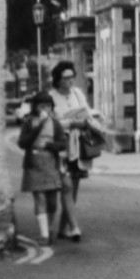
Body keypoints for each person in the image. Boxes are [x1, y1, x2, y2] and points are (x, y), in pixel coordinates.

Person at [48, 61, 103, 240]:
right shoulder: (51, 97)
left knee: (74, 188)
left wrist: (89, 119)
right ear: (57, 79)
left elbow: (86, 113)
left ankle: (64, 228)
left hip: (77, 145)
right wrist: (70, 122)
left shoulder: (78, 93)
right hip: (60, 146)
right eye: (66, 78)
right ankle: (73, 227)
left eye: (72, 77)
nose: (70, 81)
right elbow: (50, 123)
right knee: (66, 186)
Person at [18, 92, 64, 245]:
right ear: (35, 107)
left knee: (52, 201)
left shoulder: (56, 123)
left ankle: (50, 229)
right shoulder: (29, 122)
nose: (45, 109)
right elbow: (23, 143)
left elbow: (62, 144)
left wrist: (50, 145)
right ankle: (44, 234)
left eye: (48, 106)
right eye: (42, 106)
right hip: (34, 163)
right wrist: (38, 127)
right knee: (40, 199)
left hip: (51, 163)